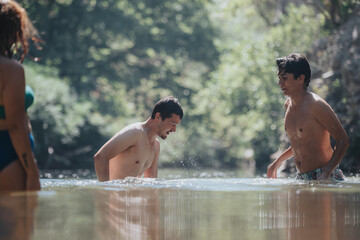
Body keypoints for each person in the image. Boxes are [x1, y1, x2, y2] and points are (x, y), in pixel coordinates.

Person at [267, 53, 349, 181]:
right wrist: (277, 162)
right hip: (302, 177)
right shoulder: (288, 105)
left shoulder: (316, 105)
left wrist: (327, 172)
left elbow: (343, 140)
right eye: (279, 78)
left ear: (300, 78)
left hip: (325, 176)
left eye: (284, 78)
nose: (280, 83)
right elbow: (299, 144)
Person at [0, 0, 41, 191]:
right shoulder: (11, 70)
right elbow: (16, 125)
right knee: (20, 221)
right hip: (8, 155)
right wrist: (32, 172)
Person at [94, 96, 183, 181]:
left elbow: (152, 185)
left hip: (134, 196)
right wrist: (105, 193)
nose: (174, 130)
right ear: (158, 117)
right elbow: (100, 157)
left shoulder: (156, 146)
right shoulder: (135, 133)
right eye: (173, 124)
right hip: (115, 195)